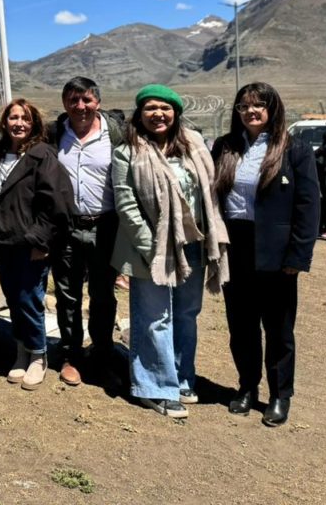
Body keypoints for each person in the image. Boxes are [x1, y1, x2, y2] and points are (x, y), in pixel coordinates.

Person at [111, 85, 229, 419]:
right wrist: (153, 248)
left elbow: (209, 192)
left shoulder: (193, 146)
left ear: (176, 112)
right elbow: (126, 203)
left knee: (186, 314)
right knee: (154, 317)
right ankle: (155, 388)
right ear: (139, 113)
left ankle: (181, 376)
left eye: (165, 107)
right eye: (150, 108)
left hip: (191, 244)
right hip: (149, 248)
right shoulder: (127, 151)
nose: (158, 114)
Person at [213, 82, 320, 427]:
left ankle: (279, 395)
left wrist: (298, 256)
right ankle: (247, 387)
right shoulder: (225, 146)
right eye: (244, 106)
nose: (251, 111)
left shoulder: (294, 149)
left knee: (278, 329)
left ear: (273, 109)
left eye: (258, 105)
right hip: (235, 245)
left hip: (276, 252)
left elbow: (308, 205)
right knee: (241, 326)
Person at [0, 99, 72, 390]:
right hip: (2, 241)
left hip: (29, 242)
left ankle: (38, 355)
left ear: (34, 123)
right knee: (13, 300)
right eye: (13, 117)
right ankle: (21, 350)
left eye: (25, 118)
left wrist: (41, 240)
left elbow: (55, 202)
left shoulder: (42, 155)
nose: (18, 123)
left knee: (30, 299)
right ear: (4, 122)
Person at [50, 76, 124, 387]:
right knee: (67, 295)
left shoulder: (117, 134)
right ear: (65, 103)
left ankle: (103, 354)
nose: (80, 106)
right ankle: (71, 356)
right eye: (73, 100)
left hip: (105, 225)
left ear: (98, 102)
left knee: (103, 295)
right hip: (66, 228)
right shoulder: (54, 134)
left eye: (87, 100)